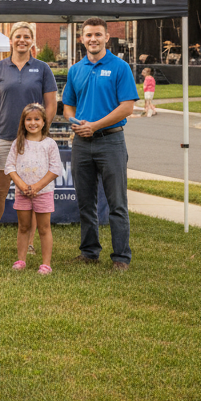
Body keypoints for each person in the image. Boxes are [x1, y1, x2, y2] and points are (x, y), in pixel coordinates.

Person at [62, 17, 139, 271]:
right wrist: (75, 121)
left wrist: (95, 125)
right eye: (88, 35)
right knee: (85, 202)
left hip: (111, 141)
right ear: (82, 39)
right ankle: (89, 252)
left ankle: (121, 257)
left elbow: (127, 107)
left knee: (117, 203)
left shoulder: (120, 67)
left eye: (97, 34)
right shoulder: (76, 69)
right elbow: (68, 105)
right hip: (82, 143)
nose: (92, 39)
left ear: (107, 37)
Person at [0, 22, 58, 255]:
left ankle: (32, 243)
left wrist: (40, 134)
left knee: (31, 191)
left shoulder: (43, 68)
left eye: (26, 36)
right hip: (4, 137)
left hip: (32, 141)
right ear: (10, 40)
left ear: (32, 40)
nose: (22, 40)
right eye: (18, 36)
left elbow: (51, 104)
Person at [4, 103, 64, 275]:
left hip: (43, 192)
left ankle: (46, 264)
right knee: (23, 227)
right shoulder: (18, 143)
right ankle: (21, 260)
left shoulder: (50, 144)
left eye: (37, 119)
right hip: (22, 192)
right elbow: (9, 166)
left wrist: (37, 186)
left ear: (44, 122)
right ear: (23, 122)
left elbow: (55, 169)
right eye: (28, 119)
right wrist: (21, 185)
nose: (33, 123)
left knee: (44, 228)